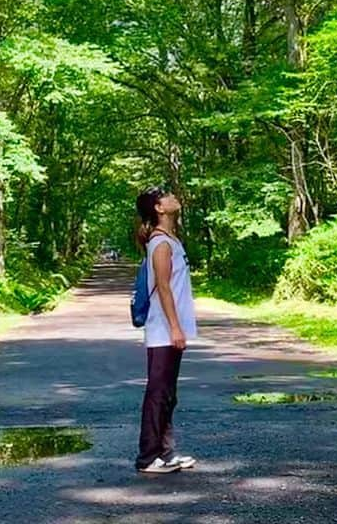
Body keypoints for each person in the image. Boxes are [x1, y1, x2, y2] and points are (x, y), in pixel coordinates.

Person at [134, 185, 197, 475]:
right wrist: (175, 327)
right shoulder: (160, 243)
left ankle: (166, 453)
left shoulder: (171, 240)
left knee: (169, 393)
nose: (174, 198)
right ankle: (148, 458)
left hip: (171, 329)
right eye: (167, 197)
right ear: (159, 209)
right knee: (158, 393)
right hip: (163, 331)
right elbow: (163, 288)